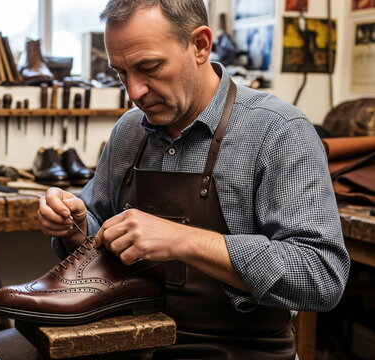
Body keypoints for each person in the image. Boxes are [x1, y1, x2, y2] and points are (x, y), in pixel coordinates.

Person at [34, 0, 349, 358]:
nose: (134, 92)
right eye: (121, 73)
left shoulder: (278, 132)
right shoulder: (129, 131)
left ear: (199, 45)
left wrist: (184, 240)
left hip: (241, 351)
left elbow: (321, 276)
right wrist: (74, 224)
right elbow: (97, 229)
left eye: (148, 67)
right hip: (130, 341)